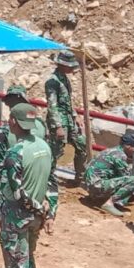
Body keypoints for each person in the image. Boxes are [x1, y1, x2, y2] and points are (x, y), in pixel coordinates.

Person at [0, 103, 55, 268]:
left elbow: (19, 193)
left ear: (13, 122)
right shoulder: (44, 147)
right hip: (35, 219)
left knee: (18, 264)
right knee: (28, 260)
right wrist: (48, 213)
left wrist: (36, 207)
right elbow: (51, 183)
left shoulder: (15, 153)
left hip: (17, 216)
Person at [45, 50, 88, 185]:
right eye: (70, 66)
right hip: (59, 120)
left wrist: (76, 116)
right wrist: (58, 126)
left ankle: (80, 177)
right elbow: (52, 105)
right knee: (56, 150)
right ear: (62, 65)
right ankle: (47, 178)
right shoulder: (53, 81)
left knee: (82, 144)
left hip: (69, 119)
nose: (72, 69)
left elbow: (67, 101)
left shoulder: (65, 79)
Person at [84, 132, 134, 217]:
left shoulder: (111, 150)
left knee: (124, 183)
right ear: (128, 146)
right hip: (97, 186)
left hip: (91, 186)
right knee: (133, 181)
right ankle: (109, 203)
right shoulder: (120, 155)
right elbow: (128, 179)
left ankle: (120, 201)